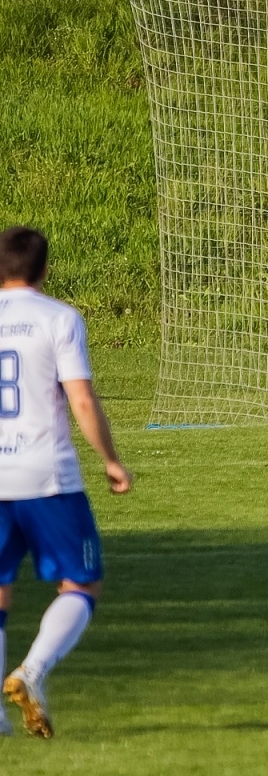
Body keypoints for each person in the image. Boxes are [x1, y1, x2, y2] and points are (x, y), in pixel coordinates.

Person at [0, 227, 133, 739]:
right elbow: (79, 399)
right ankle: (31, 671)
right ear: (44, 268)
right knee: (82, 582)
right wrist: (112, 460)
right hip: (46, 475)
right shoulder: (59, 318)